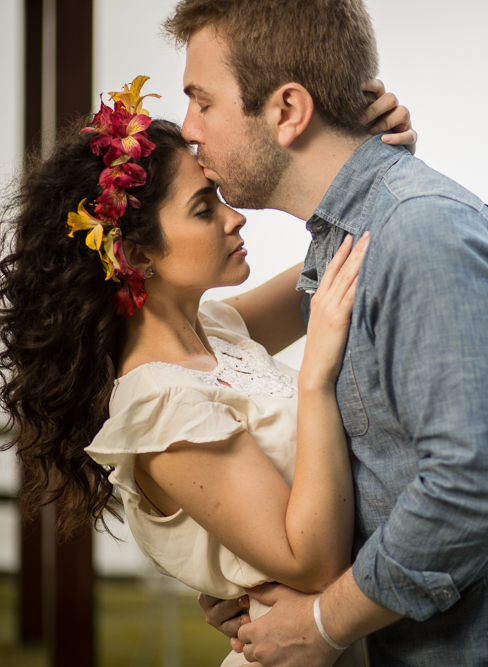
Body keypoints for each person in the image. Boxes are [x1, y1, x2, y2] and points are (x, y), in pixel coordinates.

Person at [164, 1, 488, 665]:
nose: (190, 129)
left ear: (288, 110)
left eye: (202, 101)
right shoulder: (356, 243)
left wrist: (323, 621)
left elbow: (477, 482)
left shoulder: (423, 233)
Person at [0, 75, 416, 667]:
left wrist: (381, 160)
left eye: (218, 195)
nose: (234, 218)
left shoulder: (219, 331)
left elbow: (347, 266)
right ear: (137, 255)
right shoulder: (161, 407)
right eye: (203, 209)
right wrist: (314, 378)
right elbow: (313, 563)